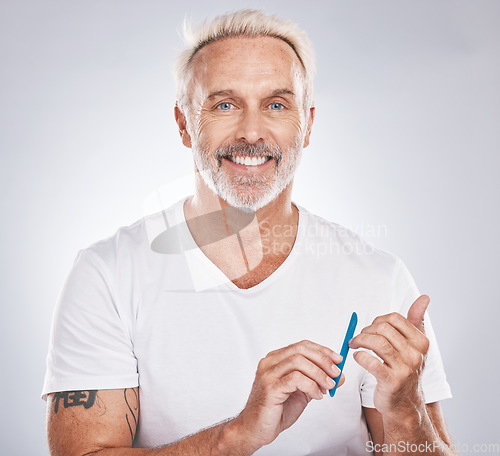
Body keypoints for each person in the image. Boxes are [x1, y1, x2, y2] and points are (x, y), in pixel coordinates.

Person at [42, 9, 456, 456]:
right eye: (224, 104)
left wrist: (405, 412)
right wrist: (237, 435)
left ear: (308, 123)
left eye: (276, 104)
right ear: (183, 123)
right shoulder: (107, 274)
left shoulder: (380, 278)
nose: (252, 131)